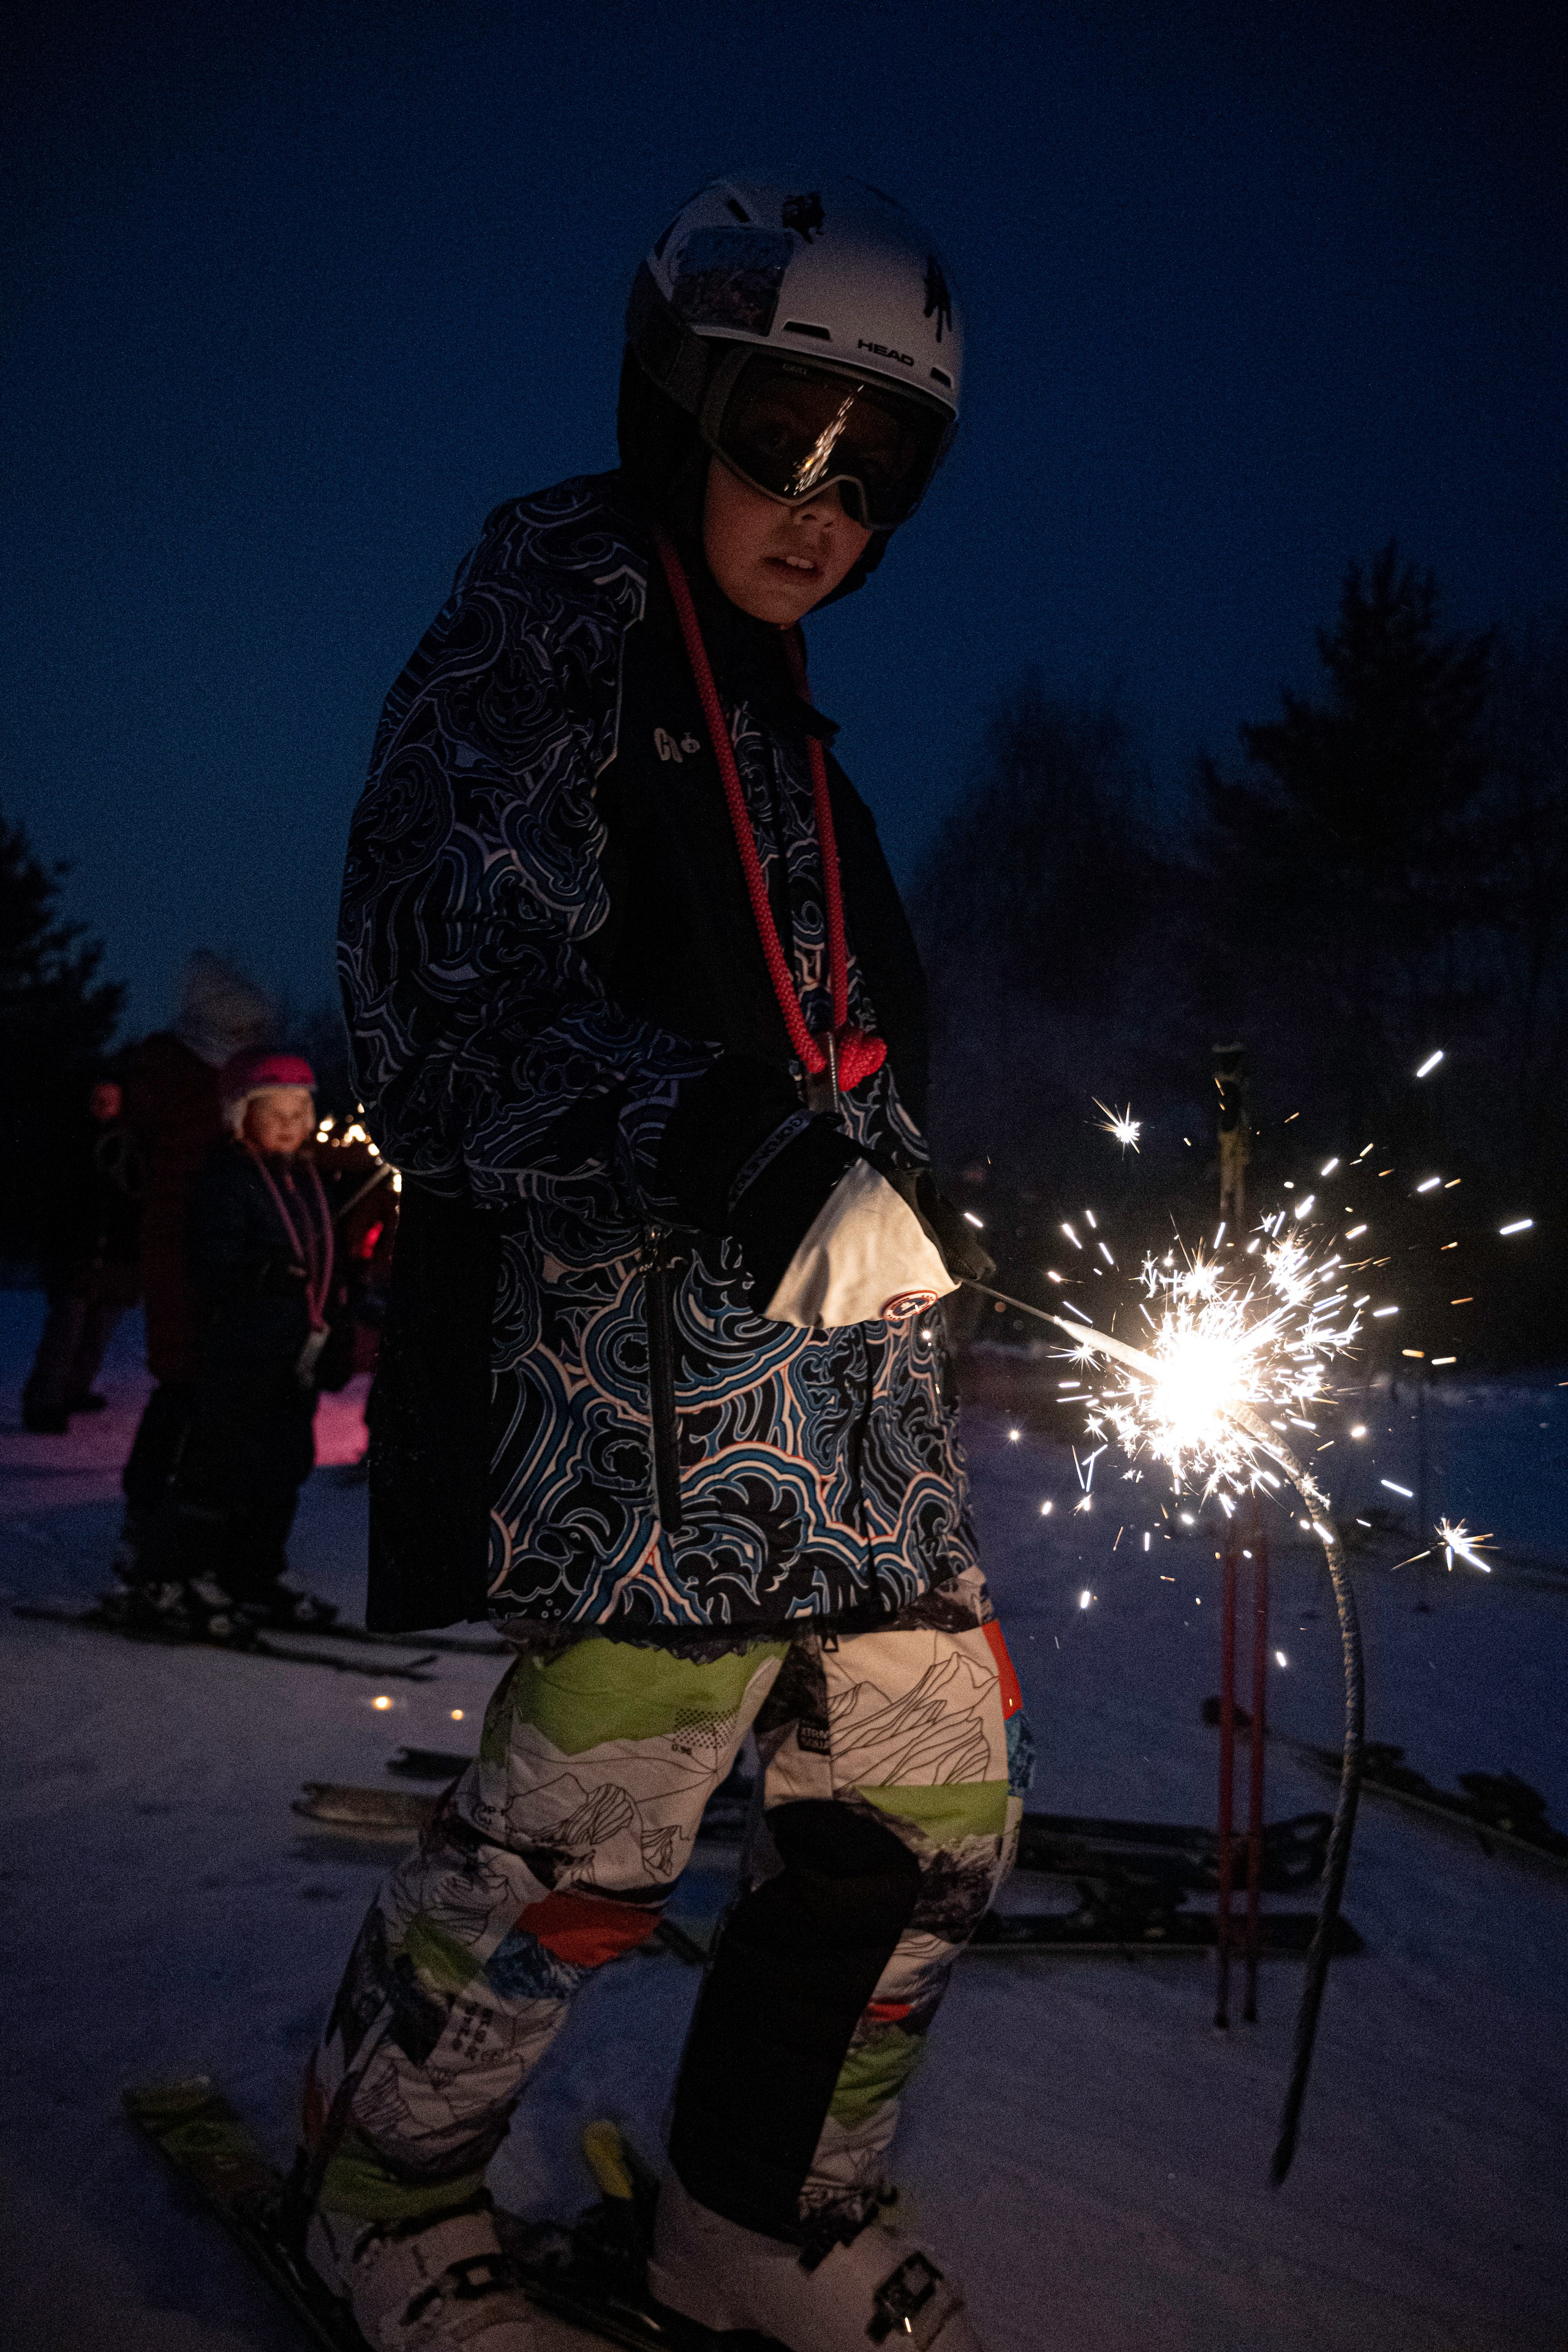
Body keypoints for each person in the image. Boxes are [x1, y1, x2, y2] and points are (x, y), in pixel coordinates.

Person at [305, 178, 1011, 2352]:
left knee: (922, 1796)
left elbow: (821, 1048)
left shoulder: (780, 713)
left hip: (839, 1410)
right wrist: (728, 1142)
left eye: (874, 464)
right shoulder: (551, 623)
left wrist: (894, 1197)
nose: (821, 502)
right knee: (605, 1799)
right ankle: (381, 2181)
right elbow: (434, 1008)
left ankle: (750, 2213)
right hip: (626, 1387)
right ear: (667, 395)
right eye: (780, 432)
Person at [118, 1050, 339, 1638]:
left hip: (293, 1357)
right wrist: (258, 1275)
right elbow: (211, 1261)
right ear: (241, 1117)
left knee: (283, 1468)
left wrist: (338, 1316)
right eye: (275, 1112)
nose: (291, 1123)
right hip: (240, 1355)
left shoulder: (307, 1178)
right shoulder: (228, 1177)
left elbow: (322, 1261)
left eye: (301, 1109)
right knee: (218, 1468)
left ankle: (253, 1571)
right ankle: (172, 1576)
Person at [117, 951, 273, 1569]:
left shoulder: (220, 1086)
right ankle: (149, 1524)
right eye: (244, 1032)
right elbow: (182, 1190)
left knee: (199, 1397)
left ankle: (183, 1528)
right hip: (187, 1262)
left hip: (212, 1258)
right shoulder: (187, 1085)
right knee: (181, 1389)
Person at [21, 1072, 145, 1433]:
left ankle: (74, 1390)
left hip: (119, 1254)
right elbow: (57, 1197)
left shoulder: (133, 1142)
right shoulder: (71, 1140)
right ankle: (44, 1400)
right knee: (67, 1328)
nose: (104, 1104)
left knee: (98, 1329)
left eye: (111, 1097)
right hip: (78, 1249)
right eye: (98, 1097)